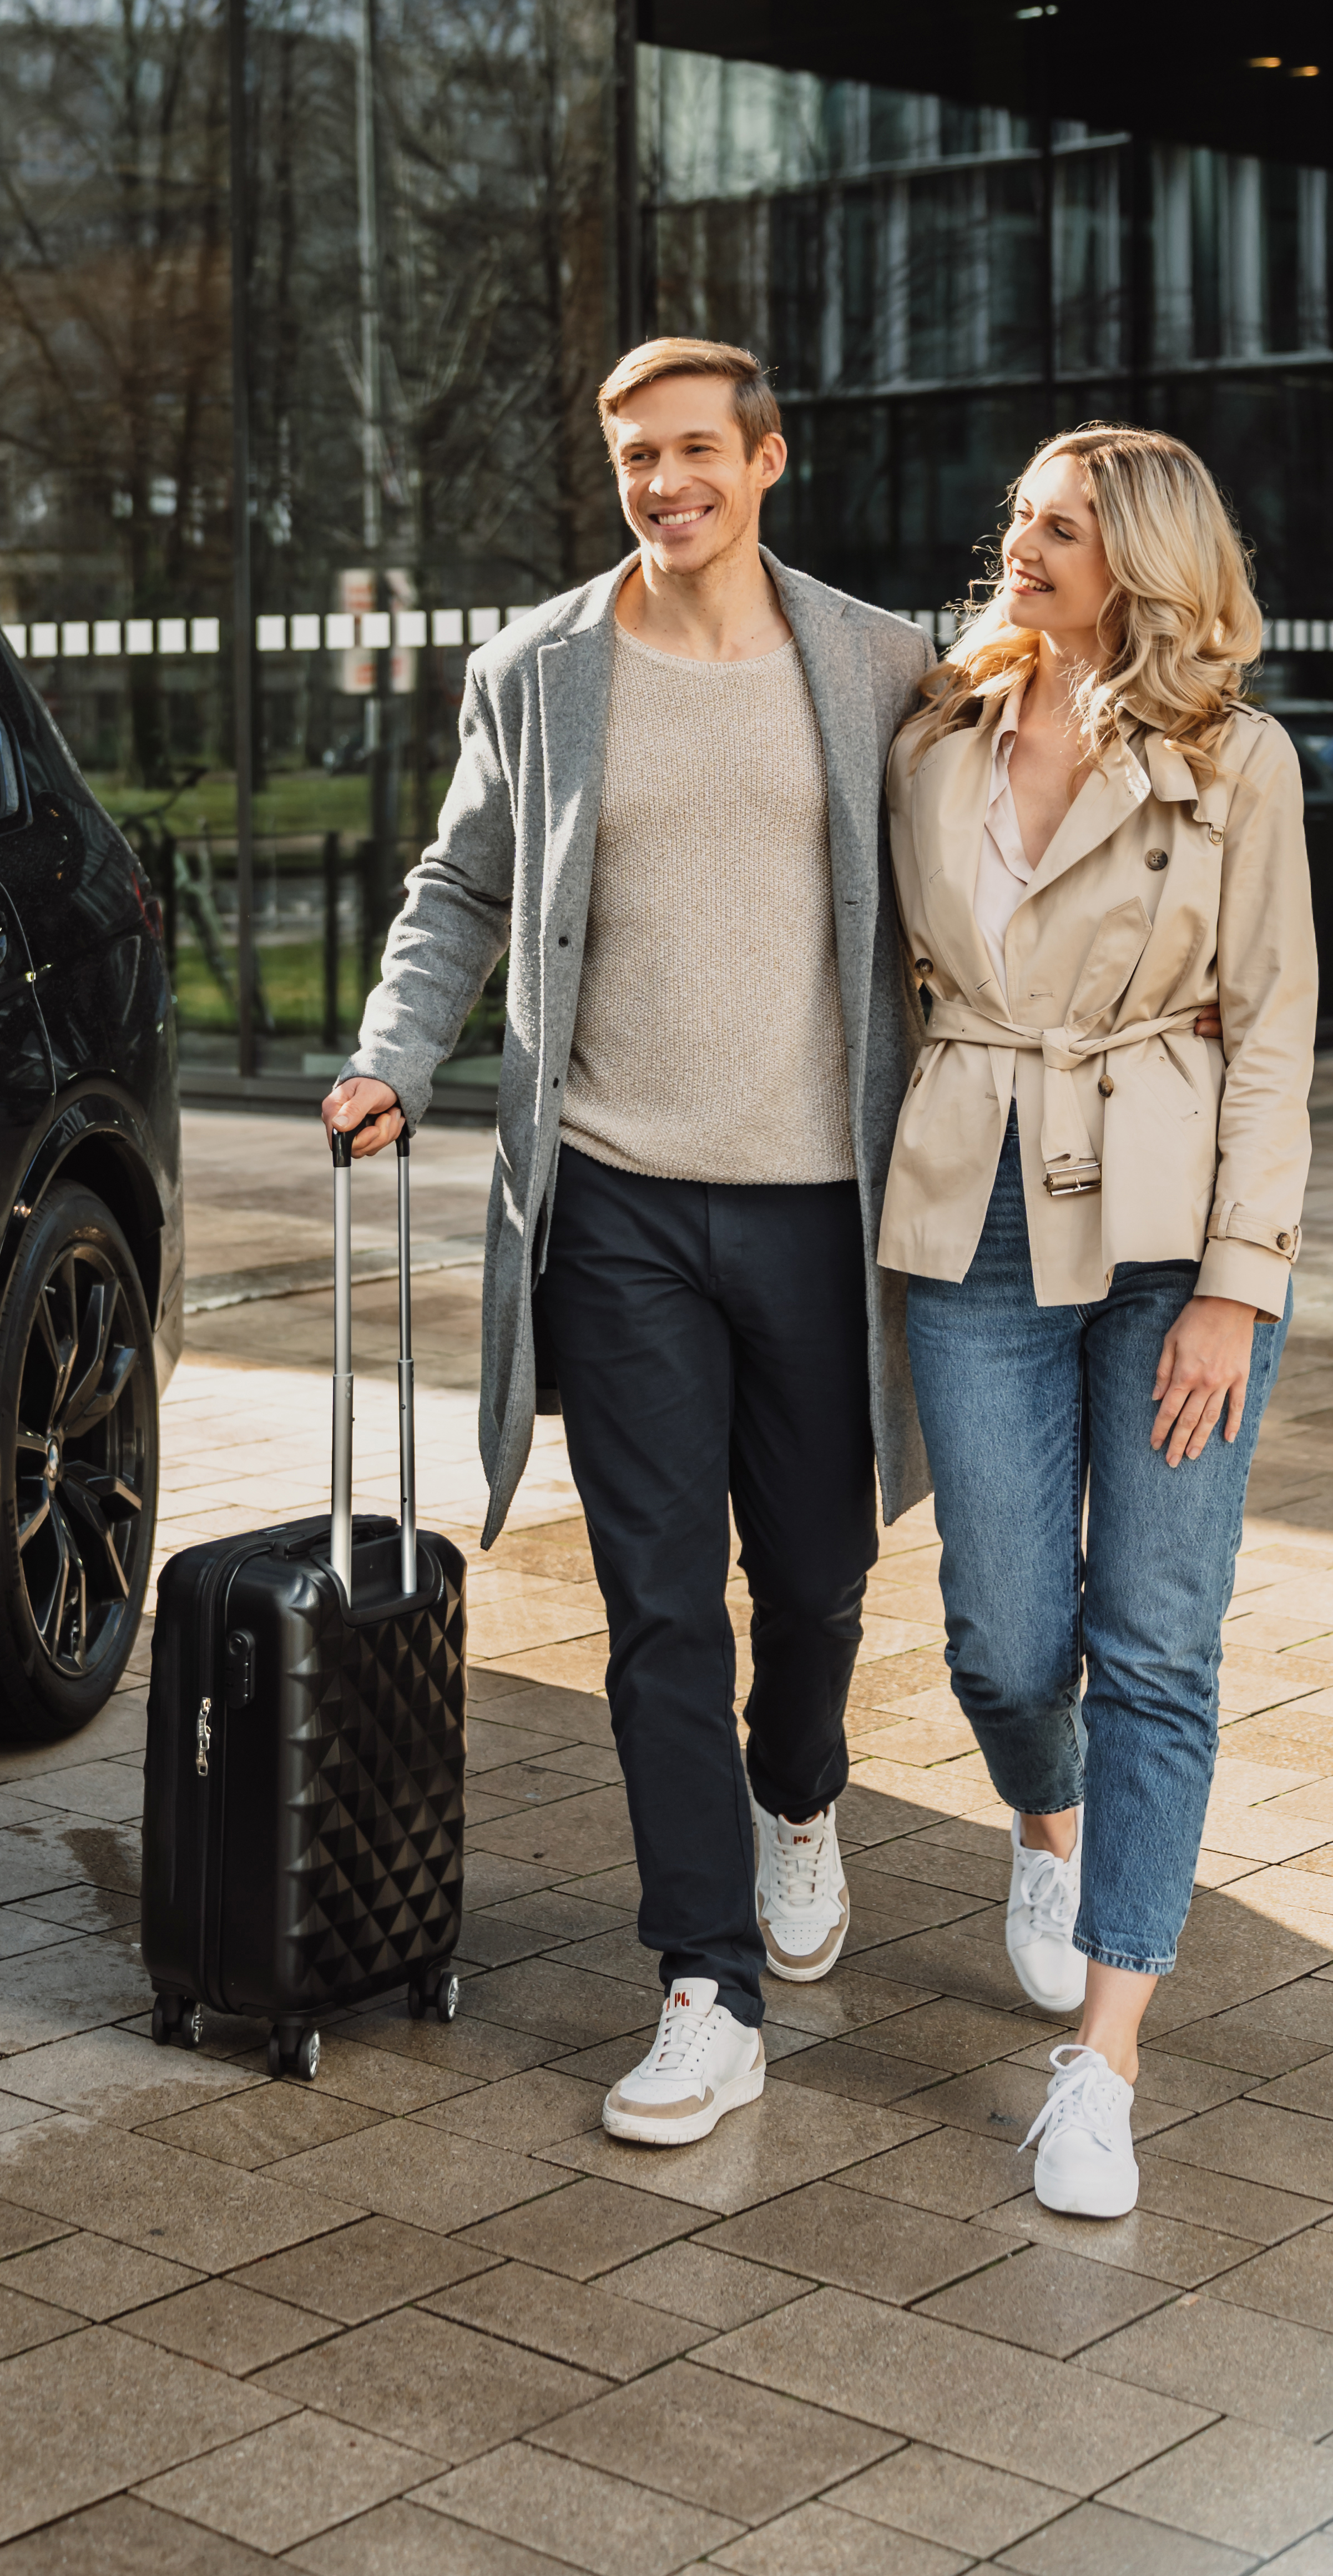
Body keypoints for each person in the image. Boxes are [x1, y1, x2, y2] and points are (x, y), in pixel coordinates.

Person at [326, 337, 932, 2145]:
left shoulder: (879, 663)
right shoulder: (541, 666)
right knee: (659, 1602)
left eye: (693, 451)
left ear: (765, 459)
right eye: (633, 458)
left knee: (815, 1578)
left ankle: (798, 1795)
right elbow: (461, 887)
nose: (664, 484)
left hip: (820, 1203)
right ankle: (703, 1987)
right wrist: (390, 1054)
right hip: (614, 1204)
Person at [880, 426, 1314, 2218]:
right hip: (971, 1201)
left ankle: (1105, 2063)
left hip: (1168, 1227)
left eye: (1062, 525)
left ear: (1140, 558)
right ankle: (1046, 1829)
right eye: (1024, 517)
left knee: (1157, 1646)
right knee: (1000, 1639)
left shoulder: (1238, 758)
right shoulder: (936, 730)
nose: (1024, 543)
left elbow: (1274, 1028)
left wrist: (1238, 1282)